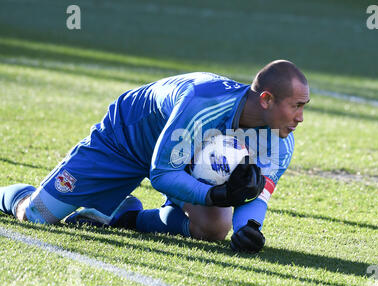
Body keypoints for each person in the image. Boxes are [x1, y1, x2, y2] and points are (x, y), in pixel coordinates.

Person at [0, 60, 309, 253]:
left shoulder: (280, 139)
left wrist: (249, 229)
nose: (300, 118)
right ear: (266, 99)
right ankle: (8, 195)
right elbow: (162, 173)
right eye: (296, 106)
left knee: (214, 229)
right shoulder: (204, 104)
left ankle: (123, 214)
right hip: (126, 140)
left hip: (183, 157)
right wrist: (215, 194)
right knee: (36, 216)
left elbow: (258, 192)